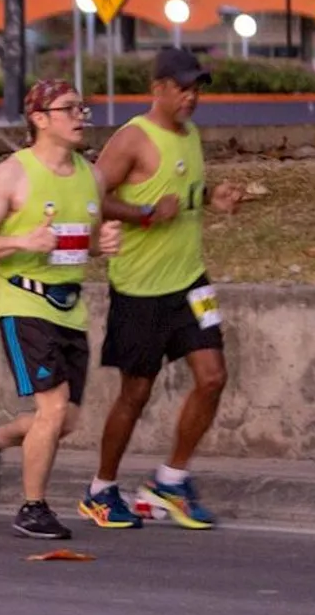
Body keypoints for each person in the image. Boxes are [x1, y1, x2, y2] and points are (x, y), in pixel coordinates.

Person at [85, 47, 244, 529]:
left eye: (196, 89)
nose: (190, 97)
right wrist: (144, 216)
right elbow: (93, 196)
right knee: (135, 393)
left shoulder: (191, 134)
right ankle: (101, 488)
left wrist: (208, 196)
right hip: (139, 288)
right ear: (158, 88)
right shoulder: (133, 139)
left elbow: (177, 192)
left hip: (190, 283)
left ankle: (169, 482)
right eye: (181, 88)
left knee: (213, 377)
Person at [0, 79, 122, 539]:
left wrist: (100, 245)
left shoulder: (91, 175)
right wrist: (20, 239)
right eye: (69, 108)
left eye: (82, 107)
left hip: (69, 305)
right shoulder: (12, 175)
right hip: (23, 301)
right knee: (51, 409)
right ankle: (32, 508)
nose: (80, 117)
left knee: (67, 420)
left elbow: (77, 242)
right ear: (39, 118)